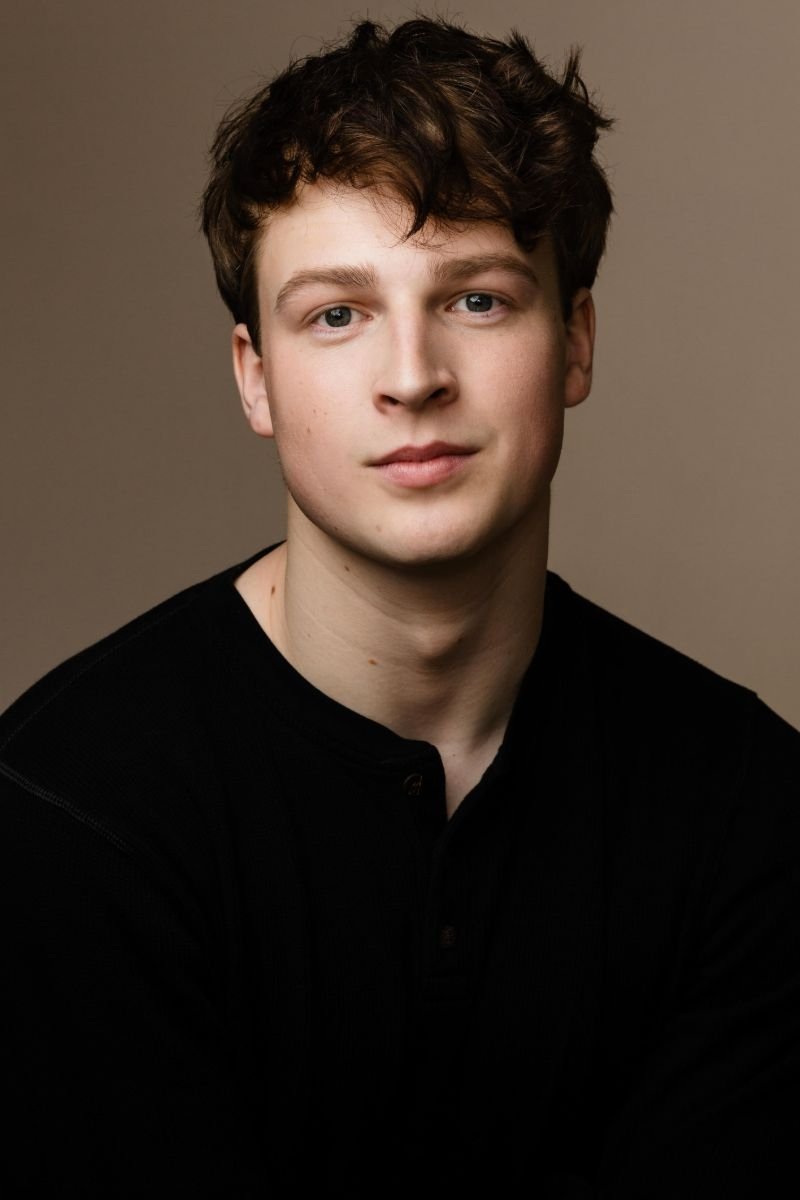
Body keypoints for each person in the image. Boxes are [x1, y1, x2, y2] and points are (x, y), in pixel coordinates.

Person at [2, 15, 798, 1197]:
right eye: (336, 314)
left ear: (573, 343)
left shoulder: (749, 810)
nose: (412, 376)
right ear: (254, 379)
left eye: (475, 300)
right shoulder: (67, 808)